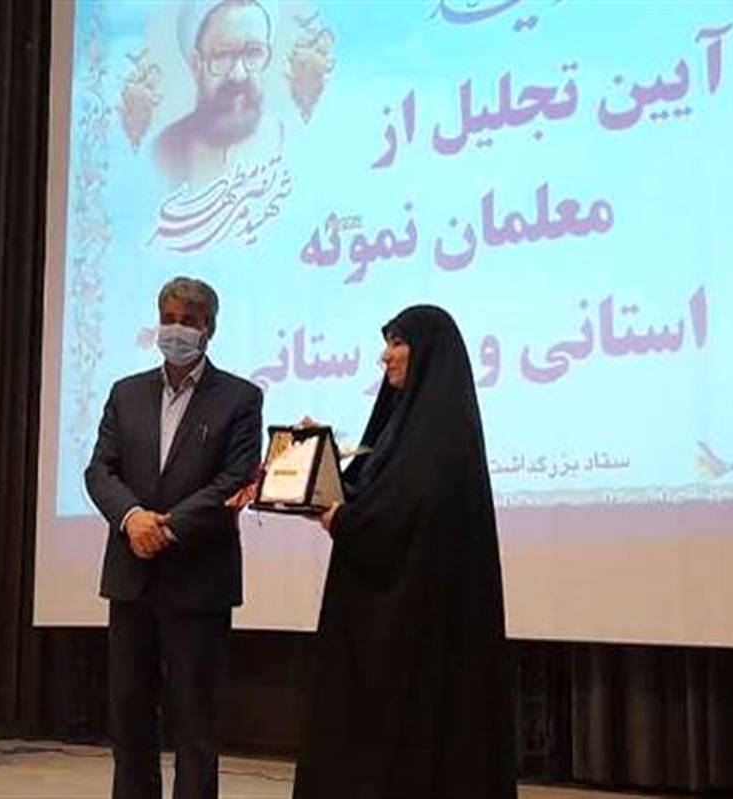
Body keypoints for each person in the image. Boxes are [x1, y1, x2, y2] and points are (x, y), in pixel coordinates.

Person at [291, 305, 517, 799]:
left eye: (397, 343)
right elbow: (369, 494)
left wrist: (344, 520)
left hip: (419, 623)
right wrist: (317, 462)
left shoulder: (441, 433)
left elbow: (407, 513)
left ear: (427, 353)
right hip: (388, 621)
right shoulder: (403, 424)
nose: (385, 356)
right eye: (387, 343)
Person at [84, 276, 263, 799]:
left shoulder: (240, 397)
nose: (176, 330)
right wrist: (132, 518)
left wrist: (166, 527)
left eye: (188, 321)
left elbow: (235, 478)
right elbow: (100, 470)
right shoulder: (126, 393)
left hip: (198, 579)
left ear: (209, 328)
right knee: (129, 717)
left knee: (195, 723)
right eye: (169, 319)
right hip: (131, 575)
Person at [154, 0, 284, 188]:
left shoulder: (292, 145)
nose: (238, 75)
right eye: (222, 55)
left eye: (254, 53)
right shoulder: (164, 152)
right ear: (196, 64)